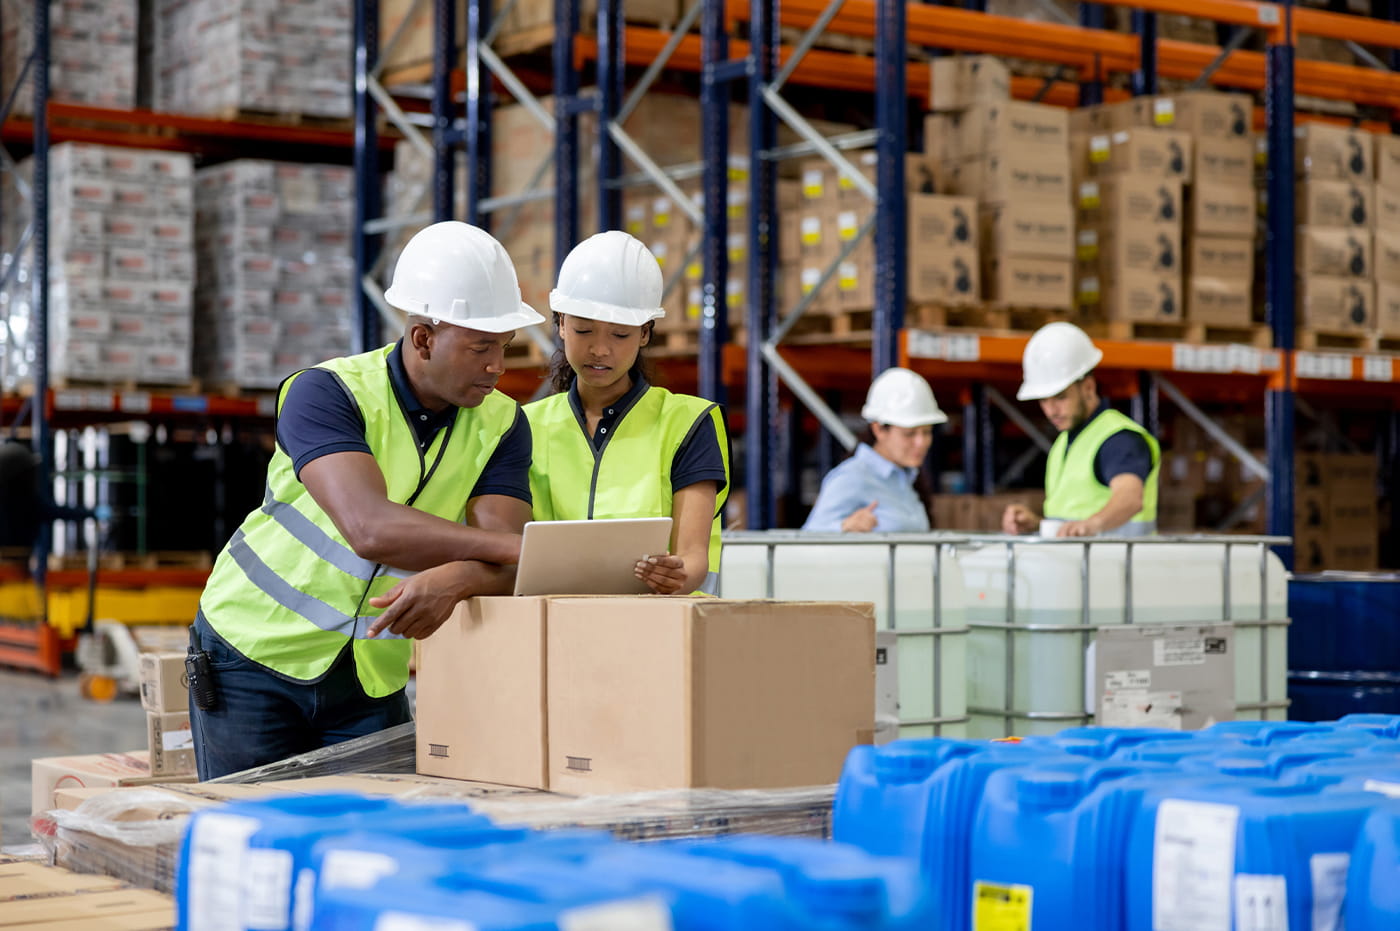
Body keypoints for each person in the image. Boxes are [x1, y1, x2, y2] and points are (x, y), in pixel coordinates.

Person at [188, 221, 544, 779]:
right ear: (423, 337)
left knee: (371, 848)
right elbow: (370, 527)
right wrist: (512, 551)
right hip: (254, 653)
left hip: (370, 671)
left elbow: (503, 561)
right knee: (249, 837)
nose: (498, 366)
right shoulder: (324, 393)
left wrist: (458, 578)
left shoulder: (503, 423)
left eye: (504, 346)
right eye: (481, 348)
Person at [524, 231, 730, 595]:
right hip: (556, 631)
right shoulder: (525, 426)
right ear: (560, 323)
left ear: (645, 333)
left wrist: (676, 574)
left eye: (620, 335)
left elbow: (694, 557)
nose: (600, 349)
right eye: (583, 329)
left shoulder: (688, 423)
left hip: (660, 632)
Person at [1001, 321, 1160, 537]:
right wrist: (1039, 525)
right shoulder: (1066, 442)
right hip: (1080, 566)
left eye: (1060, 397)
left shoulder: (1119, 439)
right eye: (1043, 401)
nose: (1051, 411)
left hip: (1117, 567)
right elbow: (1072, 518)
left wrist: (1093, 525)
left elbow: (1130, 498)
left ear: (1088, 387)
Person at [802, 367, 946, 533]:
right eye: (909, 434)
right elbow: (809, 536)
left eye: (927, 432)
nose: (921, 442)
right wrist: (843, 528)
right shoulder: (852, 477)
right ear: (878, 430)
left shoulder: (906, 478)